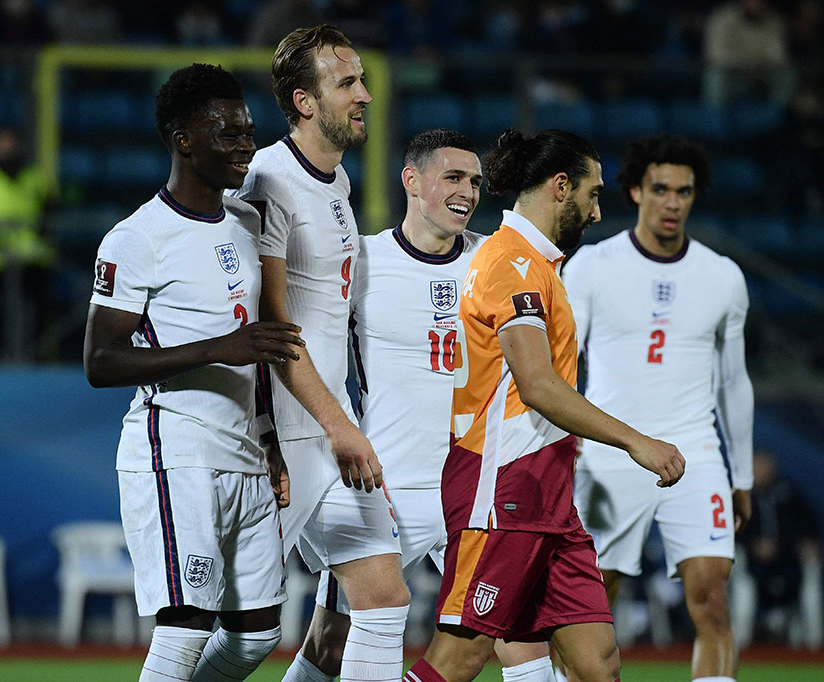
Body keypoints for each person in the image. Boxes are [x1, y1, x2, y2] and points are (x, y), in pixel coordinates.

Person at [403, 129, 686, 682]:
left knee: (595, 663)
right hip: (502, 488)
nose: (598, 211)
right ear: (561, 187)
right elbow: (536, 385)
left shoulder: (538, 265)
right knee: (460, 657)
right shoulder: (511, 263)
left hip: (549, 496)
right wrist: (637, 441)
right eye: (592, 194)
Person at [298, 128, 560, 682]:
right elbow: (309, 357)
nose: (468, 191)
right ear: (411, 181)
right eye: (453, 177)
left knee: (523, 644)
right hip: (386, 488)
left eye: (474, 181)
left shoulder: (496, 260)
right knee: (331, 646)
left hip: (475, 488)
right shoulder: (362, 260)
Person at [83, 63, 305, 682]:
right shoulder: (136, 238)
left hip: (247, 455)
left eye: (248, 132)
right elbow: (101, 362)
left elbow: (257, 351)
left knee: (257, 636)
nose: (244, 145)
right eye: (228, 133)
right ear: (184, 139)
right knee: (185, 627)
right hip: (176, 447)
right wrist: (217, 347)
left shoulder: (247, 223)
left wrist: (270, 439)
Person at [228, 24, 411, 682]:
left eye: (362, 80)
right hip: (275, 443)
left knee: (383, 601)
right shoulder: (270, 180)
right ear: (305, 102)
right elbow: (271, 327)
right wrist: (341, 428)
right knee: (237, 636)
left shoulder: (335, 185)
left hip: (328, 437)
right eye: (347, 84)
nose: (364, 95)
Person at [563, 133, 754, 682]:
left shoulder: (722, 277)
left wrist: (739, 474)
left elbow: (734, 383)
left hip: (693, 451)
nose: (673, 202)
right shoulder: (593, 267)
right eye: (661, 189)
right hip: (609, 454)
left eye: (685, 191)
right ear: (635, 191)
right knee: (592, 605)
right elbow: (557, 369)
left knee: (712, 595)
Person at [0, 126, 55, 359]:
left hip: (34, 256)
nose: (6, 149)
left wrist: (41, 238)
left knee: (38, 312)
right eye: (1, 144)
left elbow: (50, 213)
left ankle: (36, 359)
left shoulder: (34, 177)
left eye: (10, 143)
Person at [740, 448, 821, 641]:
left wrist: (808, 541)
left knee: (808, 582)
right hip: (755, 565)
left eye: (763, 465)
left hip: (788, 560)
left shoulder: (788, 491)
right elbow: (733, 529)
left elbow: (809, 522)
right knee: (744, 588)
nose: (759, 471)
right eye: (755, 466)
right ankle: (742, 643)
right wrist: (753, 545)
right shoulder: (742, 496)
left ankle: (814, 645)